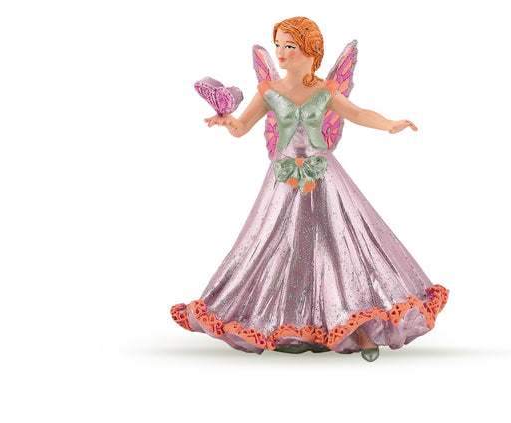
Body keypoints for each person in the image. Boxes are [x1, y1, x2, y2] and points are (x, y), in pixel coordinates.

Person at [171, 16, 448, 362]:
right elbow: (242, 128)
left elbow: (357, 113)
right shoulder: (269, 91)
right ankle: (285, 320)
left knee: (337, 244)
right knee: (278, 244)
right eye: (278, 45)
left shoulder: (324, 91)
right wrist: (228, 121)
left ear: (311, 52)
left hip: (323, 176)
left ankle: (354, 323)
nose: (281, 52)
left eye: (290, 46)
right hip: (284, 178)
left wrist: (389, 124)